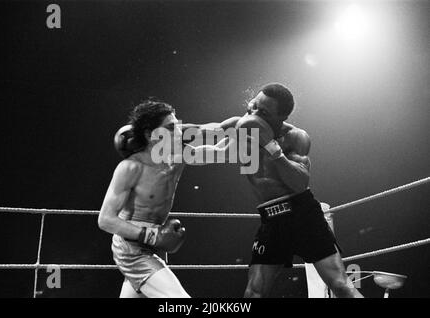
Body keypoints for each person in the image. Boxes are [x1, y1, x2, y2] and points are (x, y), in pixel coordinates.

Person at [216, 83, 364, 298]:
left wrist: (272, 148)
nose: (254, 114)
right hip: (271, 219)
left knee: (340, 285)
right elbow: (205, 141)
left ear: (280, 117)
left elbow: (299, 183)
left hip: (302, 214)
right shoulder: (240, 128)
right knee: (254, 293)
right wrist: (166, 139)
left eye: (263, 112)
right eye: (254, 106)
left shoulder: (296, 137)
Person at [98, 98, 230, 298]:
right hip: (131, 248)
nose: (179, 132)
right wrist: (151, 235)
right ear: (152, 135)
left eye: (177, 126)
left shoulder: (179, 156)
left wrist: (248, 126)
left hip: (156, 245)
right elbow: (105, 220)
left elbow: (222, 153)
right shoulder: (131, 167)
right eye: (171, 128)